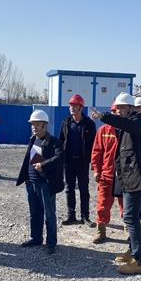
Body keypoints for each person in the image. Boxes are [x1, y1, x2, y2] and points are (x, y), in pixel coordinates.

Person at [90, 92, 141, 275]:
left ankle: (138, 261)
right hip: (125, 178)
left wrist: (104, 116)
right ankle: (132, 252)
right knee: (129, 217)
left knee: (130, 218)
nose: (119, 111)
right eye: (117, 108)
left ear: (132, 108)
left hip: (135, 178)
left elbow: (130, 125)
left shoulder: (140, 121)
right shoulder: (125, 126)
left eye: (123, 108)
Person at [16, 109, 64, 254]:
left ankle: (51, 243)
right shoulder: (32, 139)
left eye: (37, 124)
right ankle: (36, 238)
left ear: (45, 124)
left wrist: (43, 165)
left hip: (45, 184)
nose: (34, 127)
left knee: (49, 214)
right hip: (31, 183)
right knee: (35, 213)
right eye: (32, 124)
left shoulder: (54, 142)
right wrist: (26, 178)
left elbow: (60, 158)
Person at [59, 94, 96, 226]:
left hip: (82, 162)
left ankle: (85, 217)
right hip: (68, 162)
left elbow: (94, 144)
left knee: (83, 189)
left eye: (74, 105)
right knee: (69, 189)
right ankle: (71, 216)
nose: (71, 108)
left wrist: (92, 161)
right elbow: (61, 141)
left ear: (81, 107)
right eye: (70, 105)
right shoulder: (65, 122)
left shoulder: (89, 124)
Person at [90, 103, 123, 244]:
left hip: (123, 175)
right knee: (103, 203)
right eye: (113, 112)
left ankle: (129, 229)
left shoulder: (127, 130)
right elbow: (96, 152)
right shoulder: (103, 130)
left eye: (118, 112)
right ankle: (101, 230)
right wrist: (96, 170)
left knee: (126, 204)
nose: (116, 114)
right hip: (107, 174)